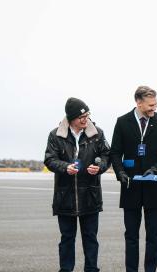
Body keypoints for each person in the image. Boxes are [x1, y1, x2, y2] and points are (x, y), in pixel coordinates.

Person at [109, 86, 157, 272]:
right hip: (130, 187)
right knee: (131, 235)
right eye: (150, 105)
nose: (154, 108)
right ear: (138, 102)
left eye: (156, 104)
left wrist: (155, 169)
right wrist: (120, 173)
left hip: (154, 186)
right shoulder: (122, 122)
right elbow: (115, 152)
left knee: (153, 236)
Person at [43, 97, 111, 272]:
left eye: (87, 115)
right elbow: (49, 159)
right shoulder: (56, 135)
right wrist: (65, 167)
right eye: (82, 117)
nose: (85, 119)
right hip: (65, 196)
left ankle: (91, 269)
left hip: (90, 195)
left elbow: (107, 156)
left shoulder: (97, 134)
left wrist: (100, 167)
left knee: (90, 238)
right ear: (71, 118)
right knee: (67, 238)